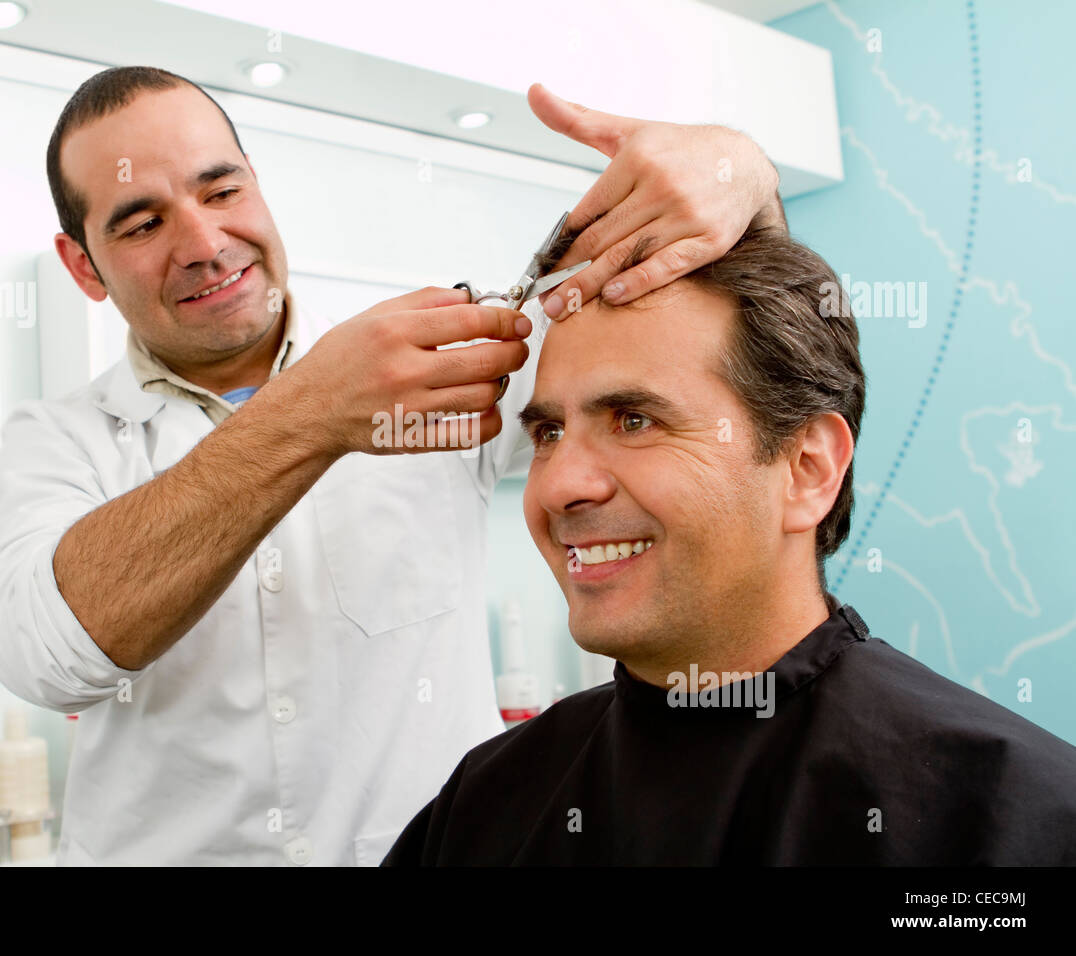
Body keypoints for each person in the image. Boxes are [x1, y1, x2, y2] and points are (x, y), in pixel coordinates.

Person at [0, 65, 786, 865]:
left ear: (256, 186)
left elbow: (710, 322)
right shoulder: (55, 441)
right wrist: (313, 410)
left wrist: (739, 174)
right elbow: (50, 654)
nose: (205, 244)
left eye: (222, 192)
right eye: (142, 224)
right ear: (82, 264)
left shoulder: (440, 360)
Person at [383, 227, 1076, 865]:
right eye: (549, 433)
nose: (560, 486)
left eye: (634, 420)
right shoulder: (484, 803)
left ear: (807, 468)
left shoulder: (1012, 819)